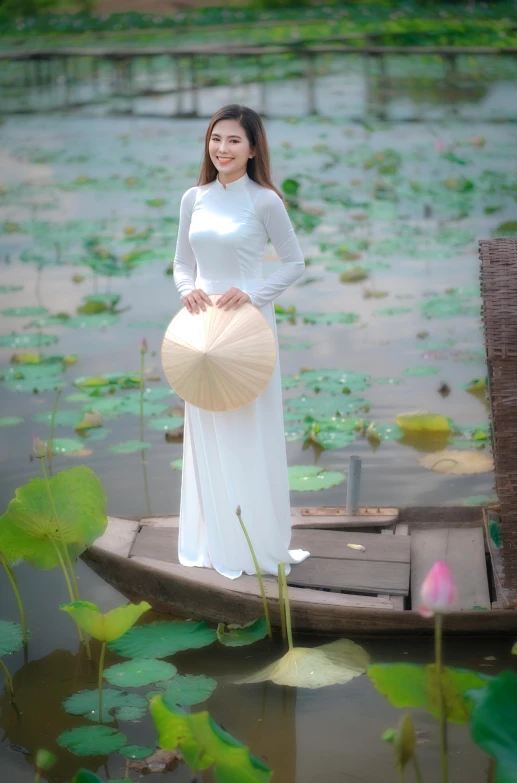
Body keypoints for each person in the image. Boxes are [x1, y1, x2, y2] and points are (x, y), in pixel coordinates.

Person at [173, 104, 311, 580]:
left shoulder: (265, 201)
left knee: (248, 428)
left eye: (234, 141)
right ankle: (215, 542)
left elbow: (294, 265)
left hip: (248, 327)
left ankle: (255, 542)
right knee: (208, 427)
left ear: (253, 149)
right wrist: (186, 289)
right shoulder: (194, 198)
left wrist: (251, 293)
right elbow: (181, 263)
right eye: (216, 138)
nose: (223, 149)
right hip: (202, 330)